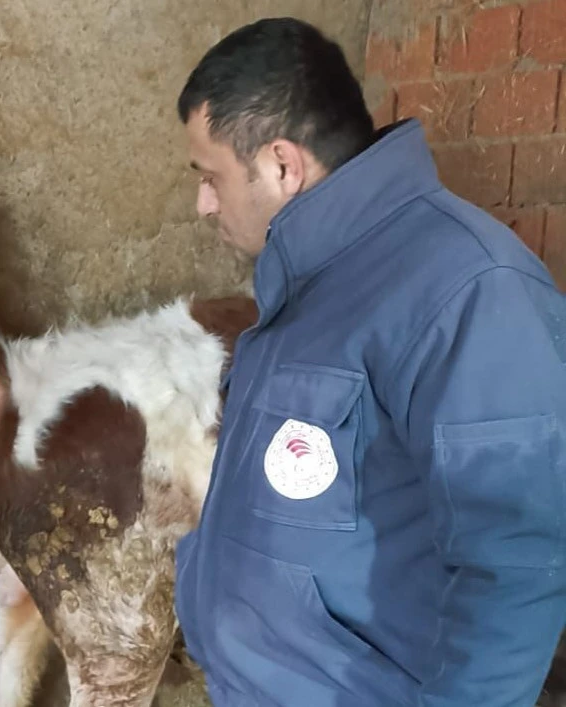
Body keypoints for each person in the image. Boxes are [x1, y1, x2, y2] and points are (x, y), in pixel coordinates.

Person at [172, 17, 566, 707]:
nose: (204, 203)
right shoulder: (310, 284)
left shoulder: (468, 288)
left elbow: (518, 568)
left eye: (211, 177)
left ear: (282, 165)